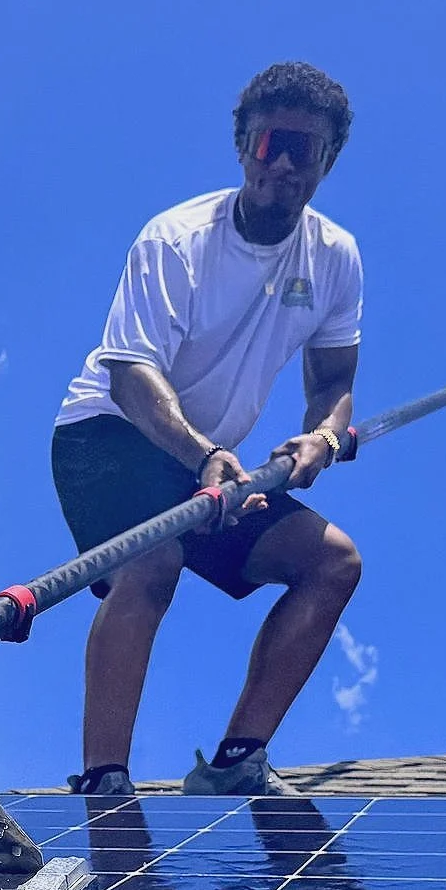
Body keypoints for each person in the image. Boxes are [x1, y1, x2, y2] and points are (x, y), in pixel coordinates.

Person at [50, 60, 365, 798]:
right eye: (268, 144)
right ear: (242, 147)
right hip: (108, 435)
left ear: (327, 161)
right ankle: (104, 781)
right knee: (153, 559)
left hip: (211, 464)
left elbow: (334, 383)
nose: (282, 164)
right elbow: (129, 374)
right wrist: (205, 455)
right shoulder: (176, 239)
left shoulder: (336, 258)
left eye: (303, 148)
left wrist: (320, 435)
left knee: (334, 563)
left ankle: (235, 764)